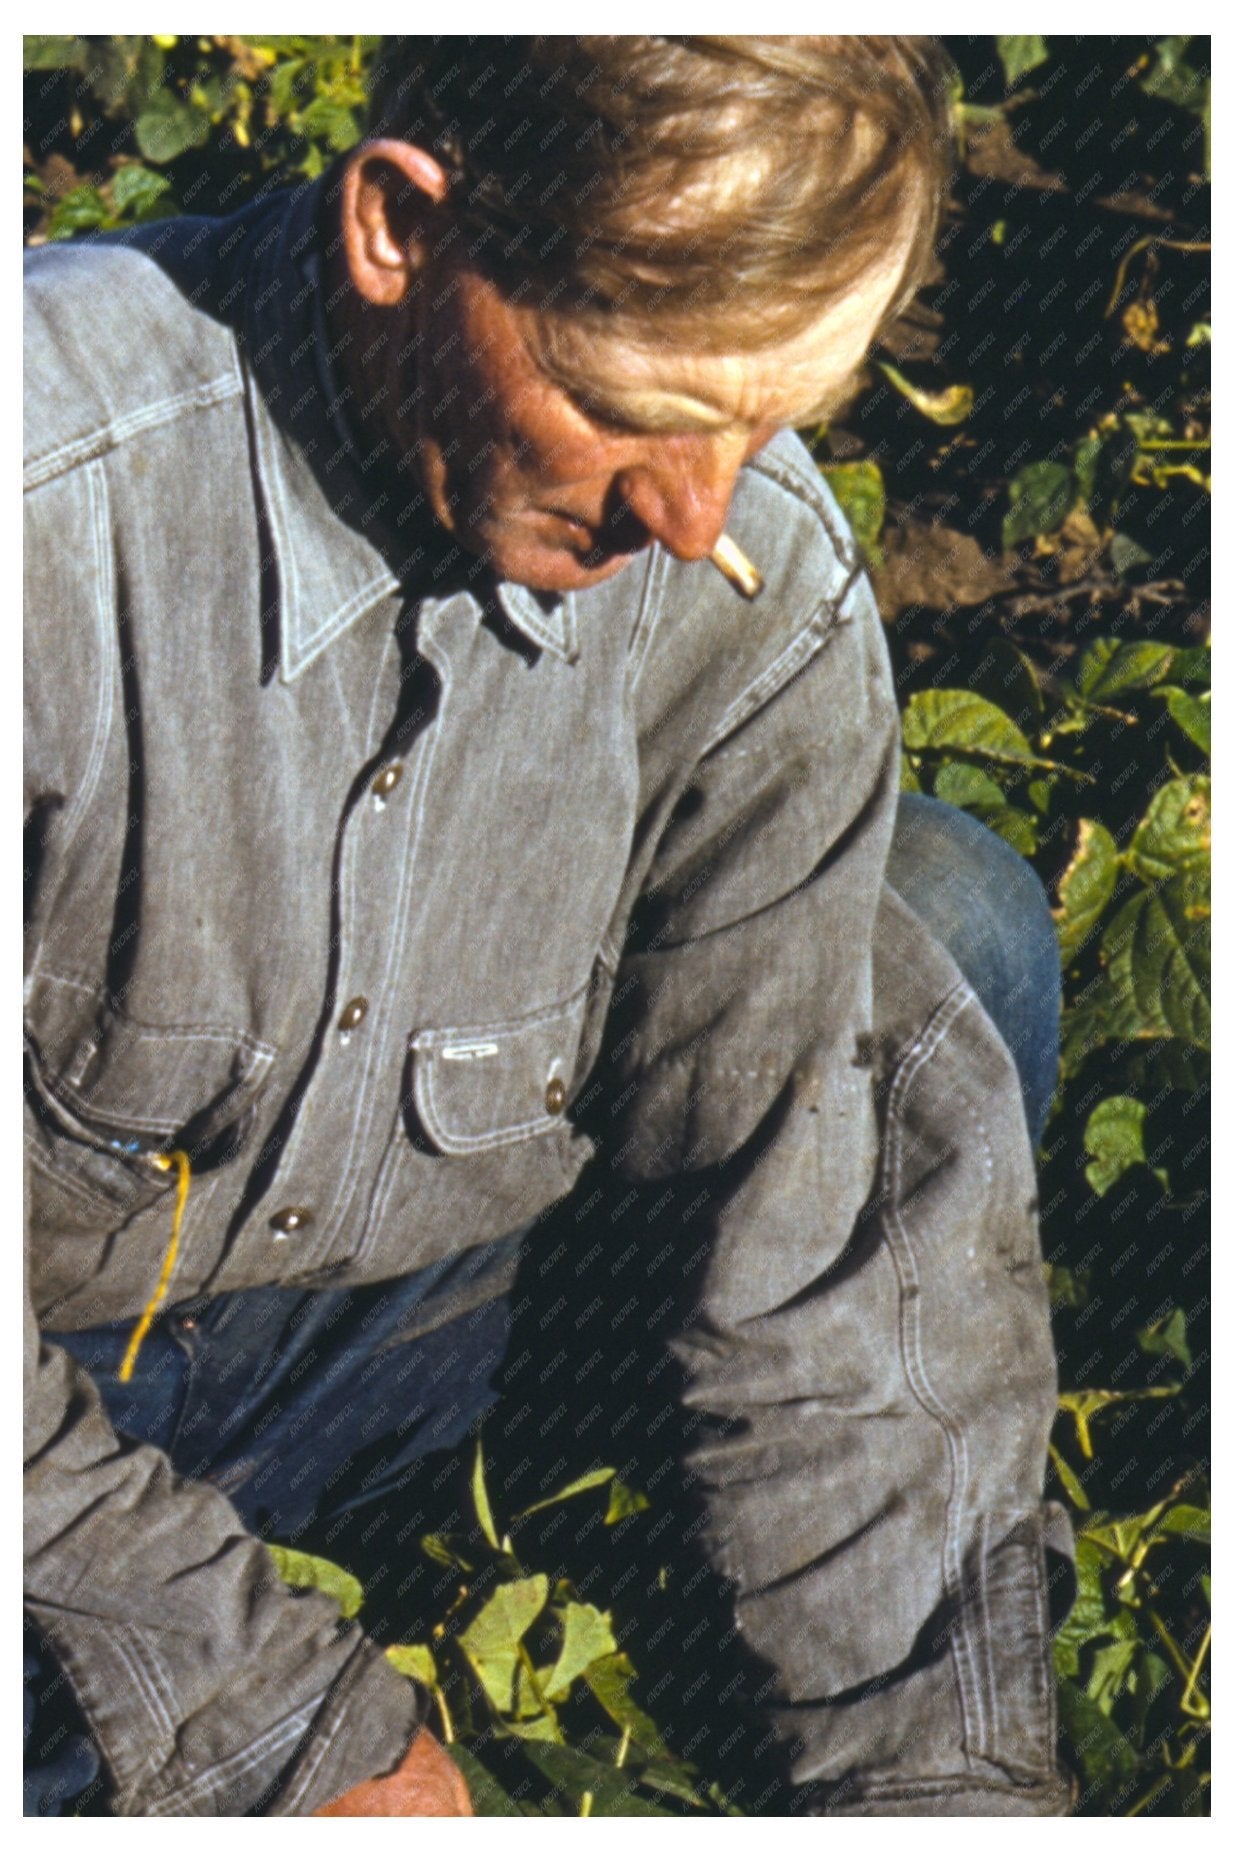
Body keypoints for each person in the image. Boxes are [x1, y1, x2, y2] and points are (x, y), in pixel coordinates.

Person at [23, 36, 1073, 1817]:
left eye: (762, 424)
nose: (694, 518)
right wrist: (256, 1714)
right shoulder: (44, 507)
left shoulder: (750, 599)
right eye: (640, 406)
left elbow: (805, 1249)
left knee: (928, 935)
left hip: (399, 1327)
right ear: (397, 224)